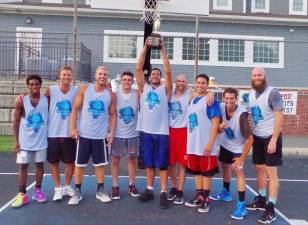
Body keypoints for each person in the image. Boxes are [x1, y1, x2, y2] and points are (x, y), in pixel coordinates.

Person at [68, 66, 116, 205]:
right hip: (83, 135)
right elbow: (75, 109)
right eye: (100, 74)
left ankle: (100, 191)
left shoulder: (111, 95)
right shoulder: (84, 89)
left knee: (100, 165)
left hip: (100, 137)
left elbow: (113, 115)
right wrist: (72, 128)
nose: (102, 76)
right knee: (80, 165)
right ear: (95, 75)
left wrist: (111, 131)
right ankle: (77, 192)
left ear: (108, 77)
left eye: (105, 74)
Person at [135, 38, 172, 209]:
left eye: (158, 74)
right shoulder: (144, 89)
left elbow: (169, 72)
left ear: (161, 78)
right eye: (153, 74)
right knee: (149, 163)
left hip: (162, 132)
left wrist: (163, 51)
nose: (156, 75)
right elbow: (138, 68)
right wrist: (145, 48)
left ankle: (163, 192)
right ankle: (149, 189)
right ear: (149, 77)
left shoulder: (165, 90)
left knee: (162, 164)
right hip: (146, 131)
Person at [246, 67, 284, 224]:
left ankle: (271, 209)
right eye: (254, 75)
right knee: (259, 169)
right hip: (258, 136)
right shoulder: (250, 93)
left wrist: (274, 139)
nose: (257, 77)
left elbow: (279, 117)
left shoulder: (272, 92)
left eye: (259, 75)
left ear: (265, 76)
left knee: (271, 173)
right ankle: (261, 199)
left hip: (270, 137)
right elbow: (249, 114)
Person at [209, 88, 253, 220]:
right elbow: (207, 96)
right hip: (225, 144)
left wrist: (241, 158)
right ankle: (226, 192)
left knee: (239, 172)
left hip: (238, 148)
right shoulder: (221, 106)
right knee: (225, 166)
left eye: (231, 98)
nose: (229, 101)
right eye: (226, 98)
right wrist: (210, 94)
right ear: (223, 98)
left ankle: (241, 206)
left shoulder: (242, 115)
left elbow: (250, 139)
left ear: (236, 98)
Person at [184, 74, 220, 214]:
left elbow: (215, 123)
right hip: (193, 143)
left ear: (207, 85)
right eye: (198, 82)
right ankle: (199, 196)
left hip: (205, 143)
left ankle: (206, 199)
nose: (200, 85)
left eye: (203, 83)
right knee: (196, 171)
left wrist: (210, 144)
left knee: (206, 173)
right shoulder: (192, 99)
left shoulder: (211, 101)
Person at [11, 75, 48, 208]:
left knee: (39, 166)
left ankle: (37, 191)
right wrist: (16, 141)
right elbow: (15, 122)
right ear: (28, 86)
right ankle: (22, 195)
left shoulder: (46, 99)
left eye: (36, 84)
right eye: (31, 84)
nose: (34, 86)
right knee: (23, 167)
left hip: (41, 141)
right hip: (24, 142)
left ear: (40, 85)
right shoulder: (21, 101)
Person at [46, 66, 78, 201]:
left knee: (70, 162)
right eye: (64, 75)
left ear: (72, 76)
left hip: (69, 133)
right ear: (59, 76)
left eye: (69, 75)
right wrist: (23, 97)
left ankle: (66, 186)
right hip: (52, 133)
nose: (66, 77)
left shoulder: (76, 90)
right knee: (53, 162)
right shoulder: (51, 90)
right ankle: (58, 188)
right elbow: (40, 103)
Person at [110, 71, 140, 199]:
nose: (127, 82)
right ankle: (115, 185)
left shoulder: (137, 94)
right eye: (124, 80)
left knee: (132, 160)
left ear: (132, 81)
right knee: (115, 160)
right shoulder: (115, 95)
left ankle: (132, 184)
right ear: (121, 81)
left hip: (133, 133)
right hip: (118, 133)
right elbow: (111, 113)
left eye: (129, 80)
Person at [167, 74, 190, 205]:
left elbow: (203, 94)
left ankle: (180, 190)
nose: (181, 82)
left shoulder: (189, 96)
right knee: (171, 163)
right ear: (175, 82)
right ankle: (174, 187)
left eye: (183, 80)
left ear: (186, 83)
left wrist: (209, 94)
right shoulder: (170, 94)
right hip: (170, 131)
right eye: (179, 80)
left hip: (183, 132)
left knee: (182, 163)